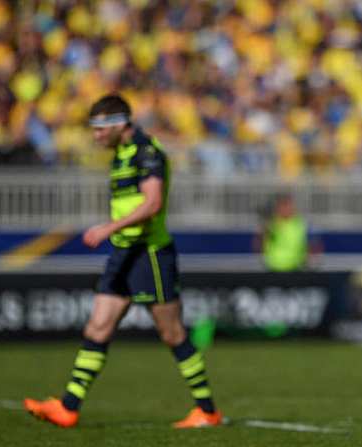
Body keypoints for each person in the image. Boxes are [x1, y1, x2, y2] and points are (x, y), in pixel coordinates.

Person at [23, 94, 223, 429]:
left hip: (150, 254)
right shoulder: (120, 155)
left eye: (100, 129)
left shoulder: (147, 153)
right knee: (97, 326)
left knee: (172, 333)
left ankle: (207, 410)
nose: (96, 136)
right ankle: (68, 407)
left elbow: (153, 203)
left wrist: (108, 228)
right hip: (123, 253)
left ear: (119, 124)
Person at [255, 193, 318, 271]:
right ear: (278, 208)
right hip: (273, 268)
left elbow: (312, 245)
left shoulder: (300, 223)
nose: (287, 209)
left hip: (296, 268)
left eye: (289, 205)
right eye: (283, 206)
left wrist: (311, 262)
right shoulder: (271, 224)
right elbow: (258, 245)